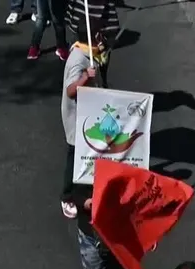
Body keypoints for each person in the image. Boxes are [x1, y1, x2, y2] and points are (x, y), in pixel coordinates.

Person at [59, 18, 107, 218]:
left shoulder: (88, 53)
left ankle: (85, 185)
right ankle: (67, 196)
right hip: (76, 118)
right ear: (93, 35)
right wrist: (86, 78)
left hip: (86, 115)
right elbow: (71, 91)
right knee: (74, 153)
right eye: (100, 33)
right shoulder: (79, 59)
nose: (102, 36)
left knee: (85, 152)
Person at [65, 0, 119, 86]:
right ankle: (76, 82)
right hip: (81, 27)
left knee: (101, 59)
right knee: (79, 60)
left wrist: (109, 36)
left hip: (98, 30)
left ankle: (101, 82)